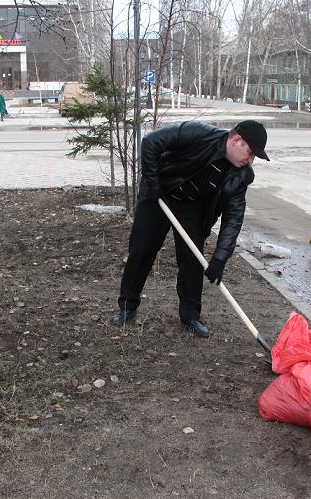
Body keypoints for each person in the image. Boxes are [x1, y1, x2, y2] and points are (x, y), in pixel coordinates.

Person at [112, 120, 269, 338]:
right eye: (250, 153)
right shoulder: (199, 134)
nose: (250, 160)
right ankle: (127, 307)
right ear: (236, 140)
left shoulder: (241, 176)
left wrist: (220, 258)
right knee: (142, 250)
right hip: (160, 193)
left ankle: (190, 316)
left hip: (191, 205)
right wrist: (153, 183)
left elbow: (233, 219)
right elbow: (150, 142)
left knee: (192, 258)